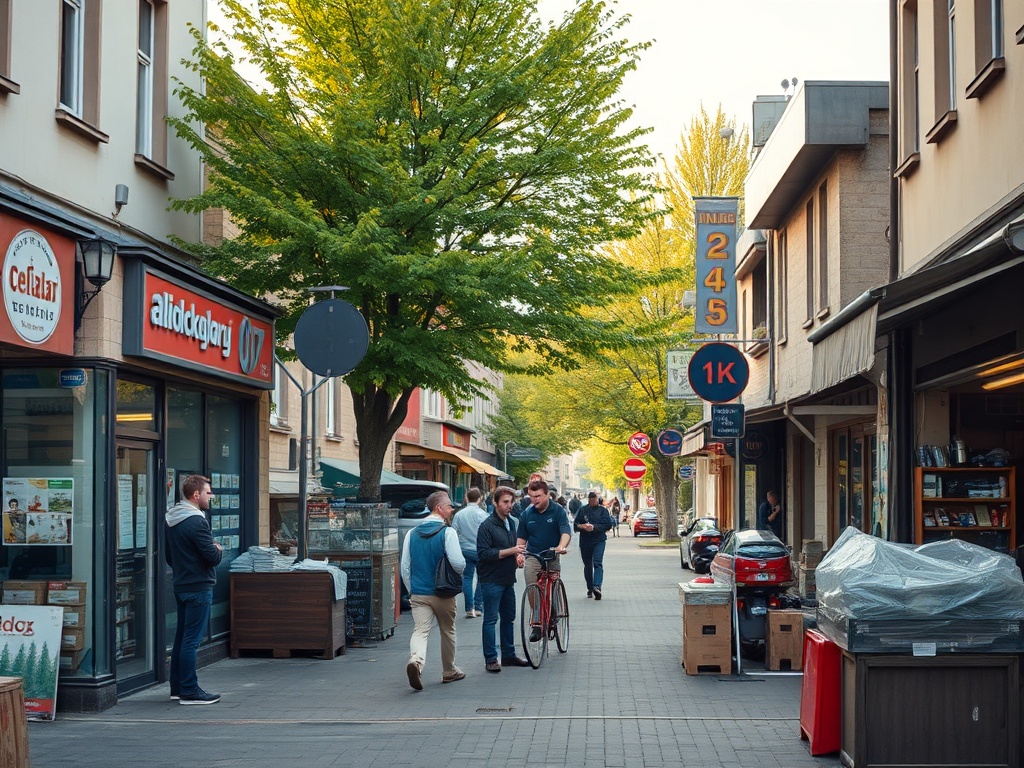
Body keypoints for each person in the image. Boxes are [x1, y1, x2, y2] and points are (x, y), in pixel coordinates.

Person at [400, 490, 466, 690]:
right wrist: (459, 574)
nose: (452, 509)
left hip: (419, 593)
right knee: (448, 630)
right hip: (443, 592)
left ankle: (416, 661)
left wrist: (413, 590)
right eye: (449, 505)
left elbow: (405, 566)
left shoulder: (412, 534)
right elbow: (457, 562)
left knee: (420, 630)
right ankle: (449, 671)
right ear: (439, 508)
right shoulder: (448, 532)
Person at [165, 474, 223, 705]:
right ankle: (189, 690)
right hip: (198, 586)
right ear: (196, 495)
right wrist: (217, 549)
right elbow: (211, 557)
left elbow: (170, 556)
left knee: (182, 638)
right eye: (208, 492)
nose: (212, 496)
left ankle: (177, 687)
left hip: (181, 584)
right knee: (191, 640)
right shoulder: (197, 521)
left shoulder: (172, 518)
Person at [475, 486, 530, 672]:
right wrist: (512, 551)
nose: (509, 506)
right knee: (491, 619)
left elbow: (512, 546)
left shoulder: (511, 523)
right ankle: (491, 658)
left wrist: (517, 557)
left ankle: (508, 655)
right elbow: (484, 554)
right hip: (491, 579)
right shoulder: (487, 526)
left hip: (508, 578)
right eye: (505, 502)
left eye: (511, 502)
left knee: (509, 618)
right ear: (495, 503)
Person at [516, 478, 572, 642]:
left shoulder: (558, 511)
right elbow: (521, 539)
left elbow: (565, 531)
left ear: (547, 494)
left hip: (552, 553)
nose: (535, 500)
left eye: (539, 496)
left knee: (553, 585)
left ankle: (554, 611)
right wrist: (519, 554)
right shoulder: (527, 514)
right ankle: (537, 623)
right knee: (532, 586)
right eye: (532, 496)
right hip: (533, 555)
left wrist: (561, 547)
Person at [451, 487, 489, 618]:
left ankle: (469, 608)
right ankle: (478, 607)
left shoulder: (459, 514)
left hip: (465, 549)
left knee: (467, 577)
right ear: (480, 499)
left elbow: (454, 532)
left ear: (466, 497)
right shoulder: (483, 515)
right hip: (480, 550)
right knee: (481, 578)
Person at [573, 491, 615, 599]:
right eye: (591, 501)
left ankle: (597, 586)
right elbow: (575, 525)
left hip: (599, 540)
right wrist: (582, 526)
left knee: (597, 562)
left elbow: (608, 525)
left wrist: (594, 527)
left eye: (594, 500)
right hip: (585, 541)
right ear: (588, 500)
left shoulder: (603, 511)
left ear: (597, 500)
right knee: (587, 565)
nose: (593, 502)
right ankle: (590, 587)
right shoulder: (583, 510)